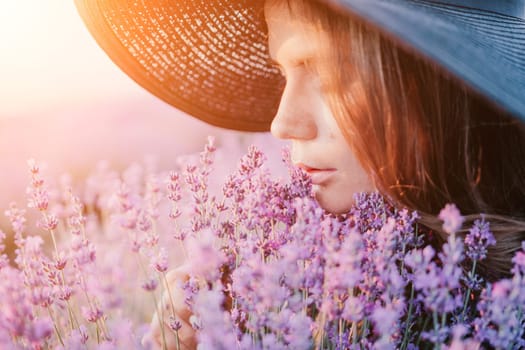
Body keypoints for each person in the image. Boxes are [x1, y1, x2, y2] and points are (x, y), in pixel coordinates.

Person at [75, 0, 525, 348]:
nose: (282, 124)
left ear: (435, 83)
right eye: (283, 72)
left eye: (327, 72)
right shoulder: (289, 275)